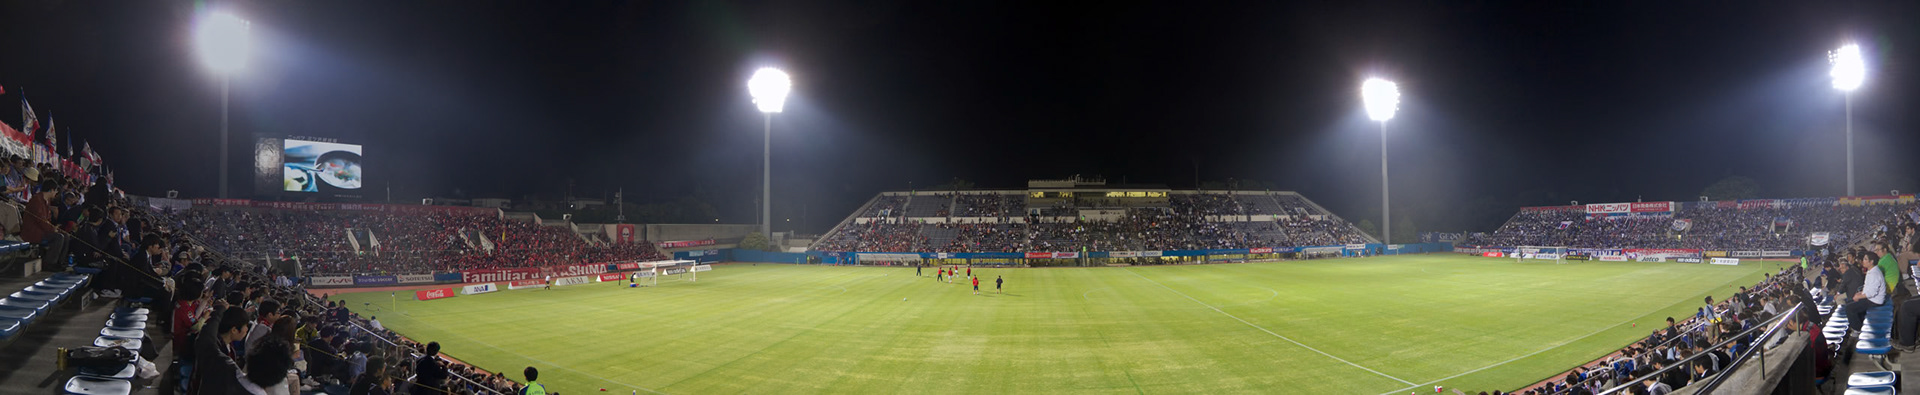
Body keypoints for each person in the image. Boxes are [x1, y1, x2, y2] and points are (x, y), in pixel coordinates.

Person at [194, 303, 253, 395]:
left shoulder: (228, 347)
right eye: (245, 326)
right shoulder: (216, 351)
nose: (246, 330)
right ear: (234, 330)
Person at [1844, 250, 1889, 335]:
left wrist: (1859, 297)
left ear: (1871, 262)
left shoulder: (1874, 274)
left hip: (1875, 301)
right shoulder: (1871, 271)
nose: (1863, 261)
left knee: (1849, 308)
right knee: (1850, 302)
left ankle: (1857, 329)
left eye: (1865, 259)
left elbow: (1871, 293)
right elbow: (1868, 287)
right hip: (1872, 298)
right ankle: (1860, 324)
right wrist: (1860, 293)